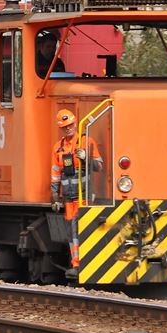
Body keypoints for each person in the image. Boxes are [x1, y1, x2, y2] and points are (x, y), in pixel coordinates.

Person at [50, 109, 103, 279]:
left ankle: (88, 264)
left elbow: (99, 166)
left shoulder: (87, 142)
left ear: (75, 123)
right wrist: (55, 197)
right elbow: (55, 173)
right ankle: (76, 264)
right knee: (72, 233)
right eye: (65, 127)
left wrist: (86, 157)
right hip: (68, 198)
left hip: (85, 196)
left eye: (71, 125)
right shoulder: (58, 148)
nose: (69, 129)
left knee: (85, 229)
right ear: (61, 128)